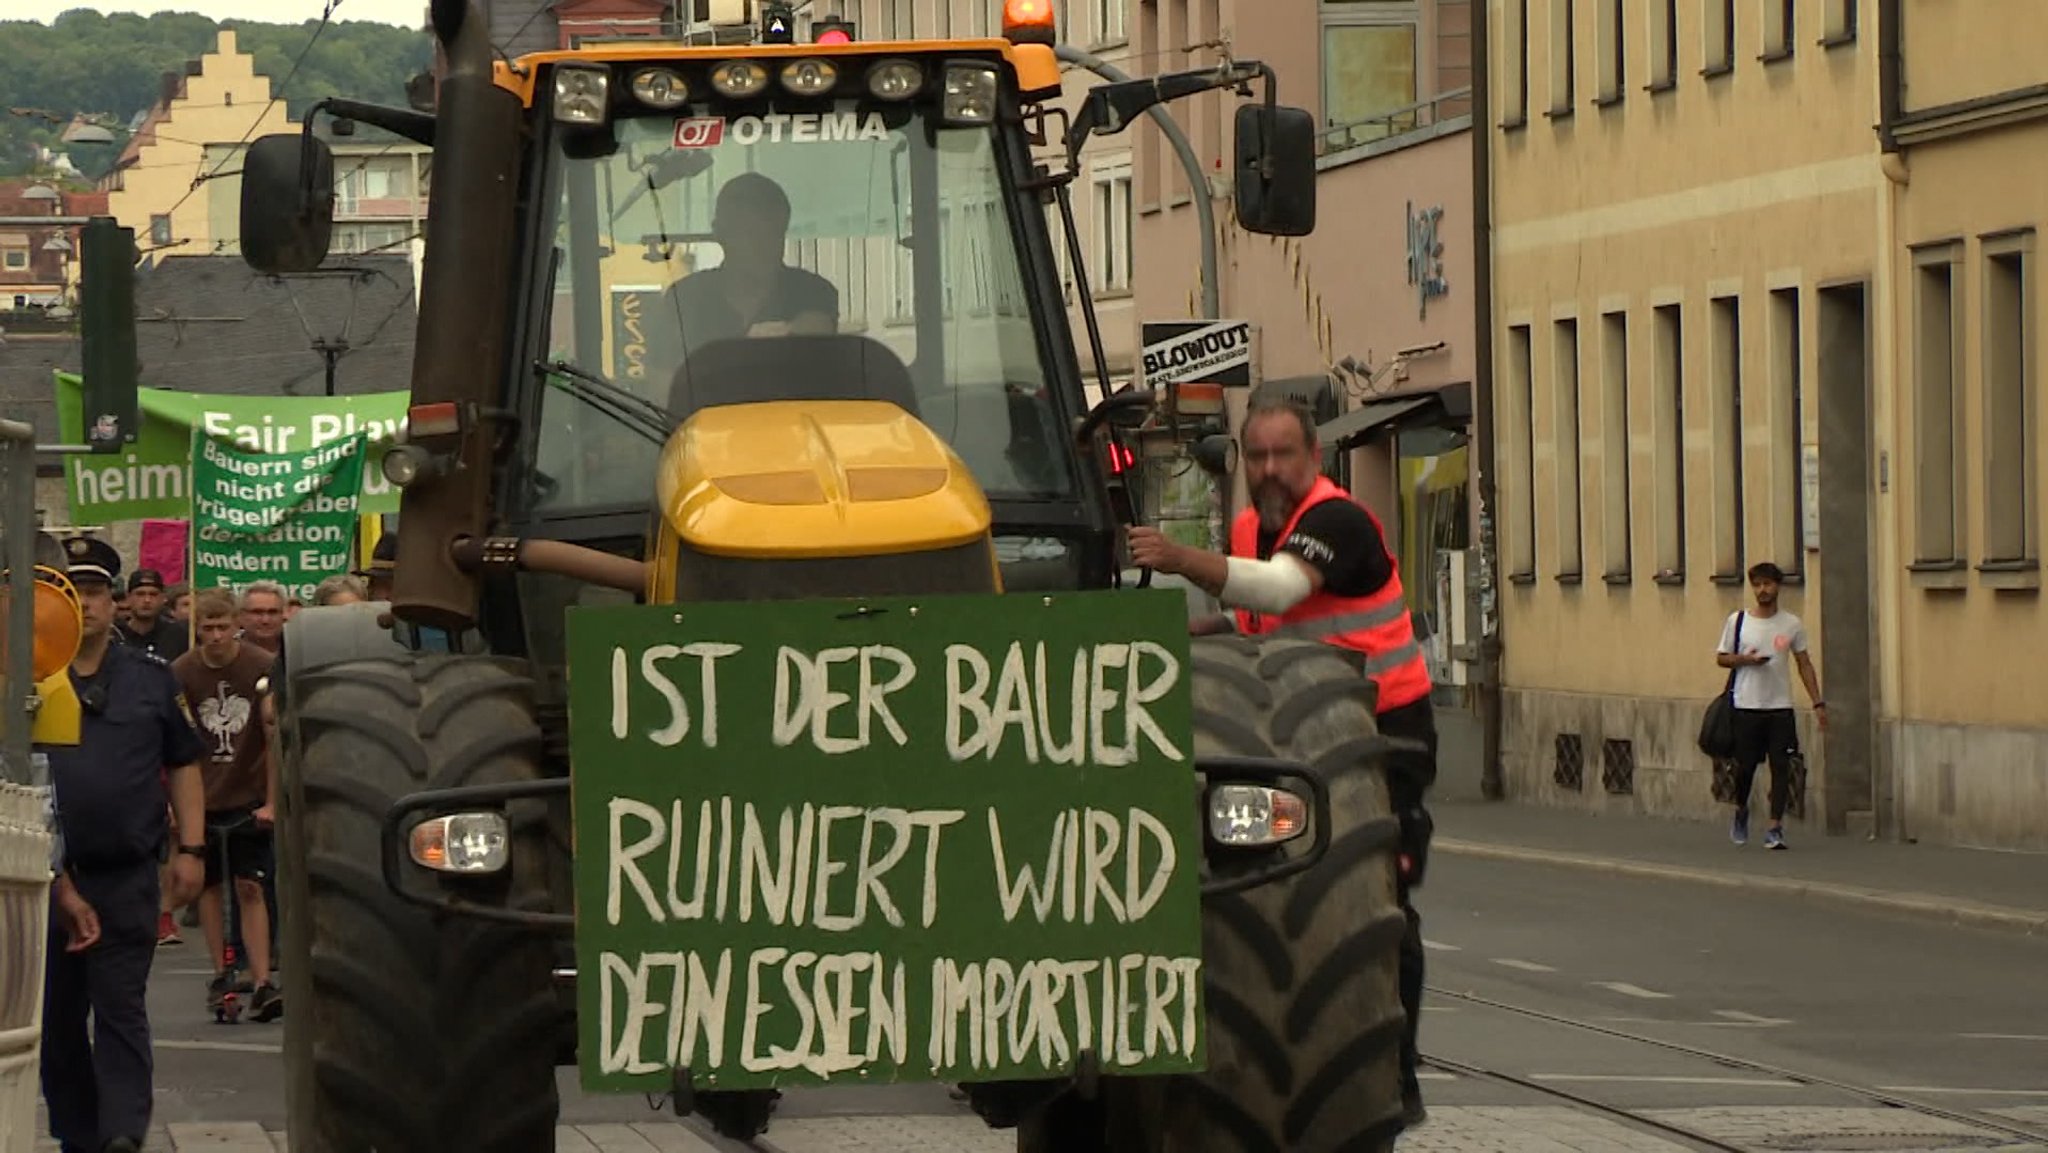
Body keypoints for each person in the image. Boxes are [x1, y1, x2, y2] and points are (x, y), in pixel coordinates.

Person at [1125, 394, 1437, 1126]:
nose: (1269, 469)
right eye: (1256, 455)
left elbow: (1282, 588)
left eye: (1283, 455)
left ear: (1313, 458)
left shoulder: (1336, 521)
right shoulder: (1251, 528)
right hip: (1289, 736)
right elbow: (1261, 618)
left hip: (1382, 732)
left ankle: (1397, 1068)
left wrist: (1177, 558)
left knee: (1383, 899)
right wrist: (1193, 628)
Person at [40, 536, 207, 1153]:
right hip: (46, 881)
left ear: (113, 603)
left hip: (125, 874)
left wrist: (192, 849)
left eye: (94, 593)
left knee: (120, 1012)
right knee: (57, 1023)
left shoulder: (150, 679)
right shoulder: (28, 680)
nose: (84, 605)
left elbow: (184, 762)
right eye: (72, 593)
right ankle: (79, 1135)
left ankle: (121, 1136)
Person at [169, 589, 284, 1021]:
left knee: (251, 887)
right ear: (196, 628)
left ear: (235, 623)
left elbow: (273, 737)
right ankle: (222, 971)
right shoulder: (181, 671)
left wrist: (272, 802)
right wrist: (175, 807)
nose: (215, 636)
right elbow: (173, 744)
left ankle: (261, 979)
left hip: (248, 792)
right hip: (203, 794)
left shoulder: (259, 666)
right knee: (209, 889)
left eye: (222, 627)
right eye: (207, 628)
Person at [654, 172, 838, 363]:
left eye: (773, 232)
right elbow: (664, 384)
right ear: (720, 233)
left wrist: (789, 332)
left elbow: (817, 327)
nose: (763, 244)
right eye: (749, 233)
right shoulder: (685, 298)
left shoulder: (811, 290)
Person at [1716, 561, 1825, 850]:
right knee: (1746, 767)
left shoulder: (1791, 624)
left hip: (1779, 707)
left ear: (1778, 586)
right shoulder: (1738, 621)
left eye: (1767, 584)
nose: (1762, 590)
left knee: (1782, 766)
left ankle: (1775, 827)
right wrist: (1745, 660)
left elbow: (1804, 663)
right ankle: (1741, 810)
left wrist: (1818, 702)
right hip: (1746, 704)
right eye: (1757, 585)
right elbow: (1722, 657)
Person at [115, 568, 188, 662]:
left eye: (153, 594)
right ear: (129, 597)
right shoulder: (115, 635)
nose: (147, 600)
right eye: (140, 594)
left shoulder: (178, 636)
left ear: (163, 598)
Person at [236, 580, 287, 653]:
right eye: (257, 612)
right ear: (241, 615)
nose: (265, 620)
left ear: (283, 614)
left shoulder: (300, 650)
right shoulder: (226, 652)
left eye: (273, 612)